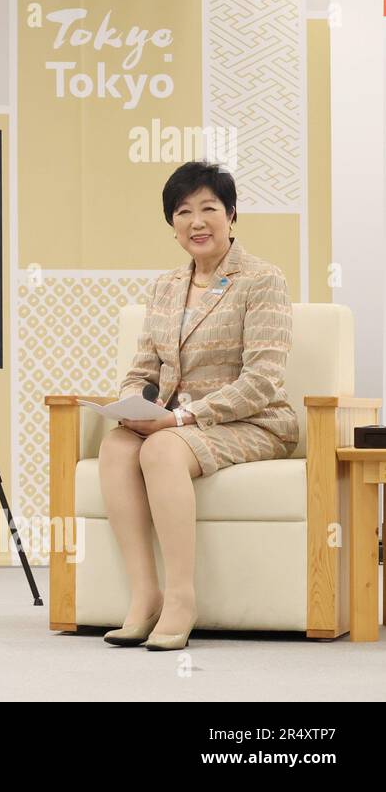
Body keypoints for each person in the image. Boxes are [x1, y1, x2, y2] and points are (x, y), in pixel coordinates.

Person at [99, 161, 298, 651]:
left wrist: (181, 417)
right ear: (173, 224)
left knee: (162, 450)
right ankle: (146, 595)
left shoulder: (261, 279)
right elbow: (144, 367)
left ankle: (182, 599)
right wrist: (134, 404)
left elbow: (263, 379)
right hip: (173, 420)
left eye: (209, 208)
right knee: (117, 447)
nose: (196, 221)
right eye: (183, 211)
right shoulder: (167, 285)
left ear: (231, 215)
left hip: (253, 421)